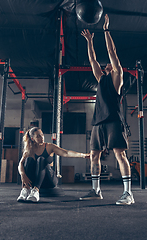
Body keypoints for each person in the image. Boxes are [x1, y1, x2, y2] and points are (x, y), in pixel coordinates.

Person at [80, 14, 134, 205]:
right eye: (107, 64)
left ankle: (128, 194)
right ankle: (96, 190)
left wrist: (105, 30)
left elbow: (112, 51)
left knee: (120, 154)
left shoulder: (117, 78)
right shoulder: (101, 79)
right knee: (94, 155)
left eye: (110, 63)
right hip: (98, 123)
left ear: (115, 67)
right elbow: (92, 59)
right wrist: (89, 41)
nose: (107, 63)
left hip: (113, 121)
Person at [17, 127, 89, 202]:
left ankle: (36, 191)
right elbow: (20, 164)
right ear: (32, 139)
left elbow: (66, 153)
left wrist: (83, 155)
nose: (41, 137)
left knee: (41, 159)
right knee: (28, 160)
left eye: (42, 134)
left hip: (49, 180)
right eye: (38, 136)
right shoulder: (29, 149)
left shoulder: (49, 146)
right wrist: (23, 176)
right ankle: (26, 190)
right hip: (36, 179)